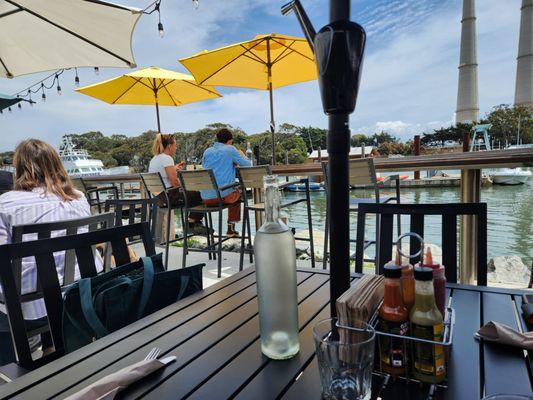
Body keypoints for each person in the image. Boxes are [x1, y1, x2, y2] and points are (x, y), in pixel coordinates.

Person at [0, 139, 103, 366]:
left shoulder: (5, 204)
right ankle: (50, 347)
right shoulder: (78, 197)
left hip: (30, 309)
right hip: (81, 294)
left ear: (20, 168)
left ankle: (9, 370)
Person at [148, 133, 209, 234]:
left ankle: (193, 223)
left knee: (194, 194)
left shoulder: (155, 159)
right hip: (169, 197)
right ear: (169, 146)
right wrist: (187, 186)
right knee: (203, 195)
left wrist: (174, 168)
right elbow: (175, 182)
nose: (176, 148)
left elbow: (164, 175)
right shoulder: (167, 158)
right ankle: (193, 224)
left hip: (159, 199)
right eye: (175, 145)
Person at [201, 128, 251, 237]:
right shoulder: (230, 149)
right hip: (222, 198)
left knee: (232, 189)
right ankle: (230, 228)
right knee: (238, 191)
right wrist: (241, 155)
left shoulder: (207, 151)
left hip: (205, 199)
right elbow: (248, 165)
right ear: (230, 141)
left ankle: (230, 228)